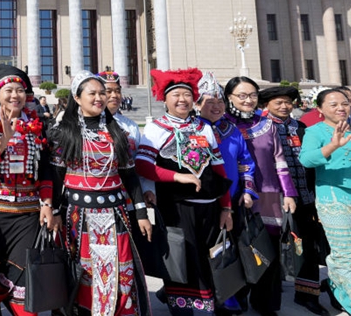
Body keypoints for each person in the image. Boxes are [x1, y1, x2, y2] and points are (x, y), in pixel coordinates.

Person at [49, 70, 152, 315]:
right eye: (92, 93)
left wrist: (141, 212)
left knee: (121, 271)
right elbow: (56, 176)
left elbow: (129, 176)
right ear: (77, 98)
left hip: (114, 214)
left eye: (102, 93)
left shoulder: (117, 133)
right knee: (83, 273)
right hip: (78, 215)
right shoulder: (64, 133)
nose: (99, 98)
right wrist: (53, 210)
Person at [136, 68, 233, 315]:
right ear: (164, 99)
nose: (182, 99)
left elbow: (218, 169)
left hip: (209, 207)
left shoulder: (203, 127)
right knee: (181, 259)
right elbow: (142, 165)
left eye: (187, 95)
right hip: (177, 208)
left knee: (209, 258)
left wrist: (226, 207)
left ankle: (212, 302)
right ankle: (180, 306)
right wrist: (177, 176)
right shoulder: (157, 128)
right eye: (176, 95)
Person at [0, 64, 56, 316]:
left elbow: (46, 169)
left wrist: (47, 204)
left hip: (28, 212)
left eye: (19, 90)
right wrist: (0, 141)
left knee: (23, 271)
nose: (14, 95)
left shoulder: (38, 125)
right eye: (8, 90)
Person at [223, 76, 298, 315]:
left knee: (267, 249)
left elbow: (279, 161)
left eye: (253, 95)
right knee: (237, 248)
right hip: (234, 195)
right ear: (230, 97)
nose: (248, 100)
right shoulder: (221, 124)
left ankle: (265, 302)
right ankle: (235, 299)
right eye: (242, 95)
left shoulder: (267, 124)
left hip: (268, 194)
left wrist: (288, 193)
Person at [257, 86, 331, 315]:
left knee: (307, 247)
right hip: (272, 198)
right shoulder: (259, 128)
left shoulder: (300, 127)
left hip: (304, 196)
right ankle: (267, 296)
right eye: (278, 102)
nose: (284, 106)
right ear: (266, 105)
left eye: (288, 102)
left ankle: (307, 295)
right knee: (270, 248)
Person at [300, 88, 351, 315]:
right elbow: (306, 160)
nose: (341, 108)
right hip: (334, 197)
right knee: (346, 252)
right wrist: (333, 145)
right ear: (320, 109)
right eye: (333, 104)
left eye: (344, 103)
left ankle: (338, 286)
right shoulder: (315, 131)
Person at [194, 72, 258, 314]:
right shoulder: (190, 130)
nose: (217, 106)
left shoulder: (231, 130)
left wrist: (248, 191)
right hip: (201, 202)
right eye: (209, 102)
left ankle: (229, 296)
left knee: (229, 250)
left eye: (220, 101)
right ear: (197, 104)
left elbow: (245, 162)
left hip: (231, 200)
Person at [98, 70, 153, 202]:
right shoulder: (87, 125)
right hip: (97, 195)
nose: (114, 95)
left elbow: (139, 162)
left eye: (117, 91)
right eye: (108, 91)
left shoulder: (130, 126)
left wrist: (147, 189)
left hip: (128, 195)